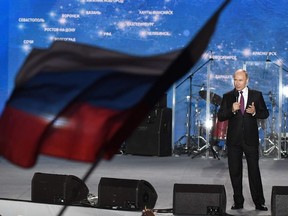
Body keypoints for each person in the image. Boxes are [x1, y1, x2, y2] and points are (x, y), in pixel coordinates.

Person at [217, 69, 269, 211]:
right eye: (235, 80)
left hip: (251, 140)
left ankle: (259, 202)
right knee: (235, 172)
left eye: (240, 80)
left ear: (247, 80)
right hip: (234, 141)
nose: (237, 83)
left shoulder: (256, 95)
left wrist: (255, 112)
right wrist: (231, 110)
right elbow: (221, 116)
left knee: (254, 171)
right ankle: (238, 202)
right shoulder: (227, 96)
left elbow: (265, 113)